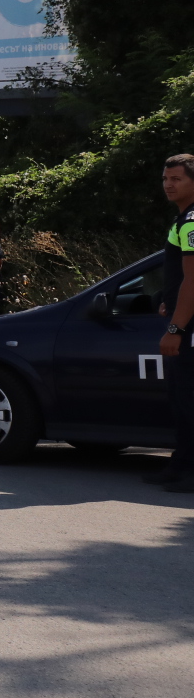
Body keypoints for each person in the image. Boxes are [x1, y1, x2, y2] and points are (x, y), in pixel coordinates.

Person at [149, 154, 194, 491]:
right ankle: (181, 464)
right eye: (166, 178)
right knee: (181, 400)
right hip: (184, 321)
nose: (168, 184)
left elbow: (193, 281)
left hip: (189, 330)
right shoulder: (182, 220)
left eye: (176, 178)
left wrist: (176, 329)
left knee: (189, 400)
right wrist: (168, 301)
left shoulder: (192, 221)